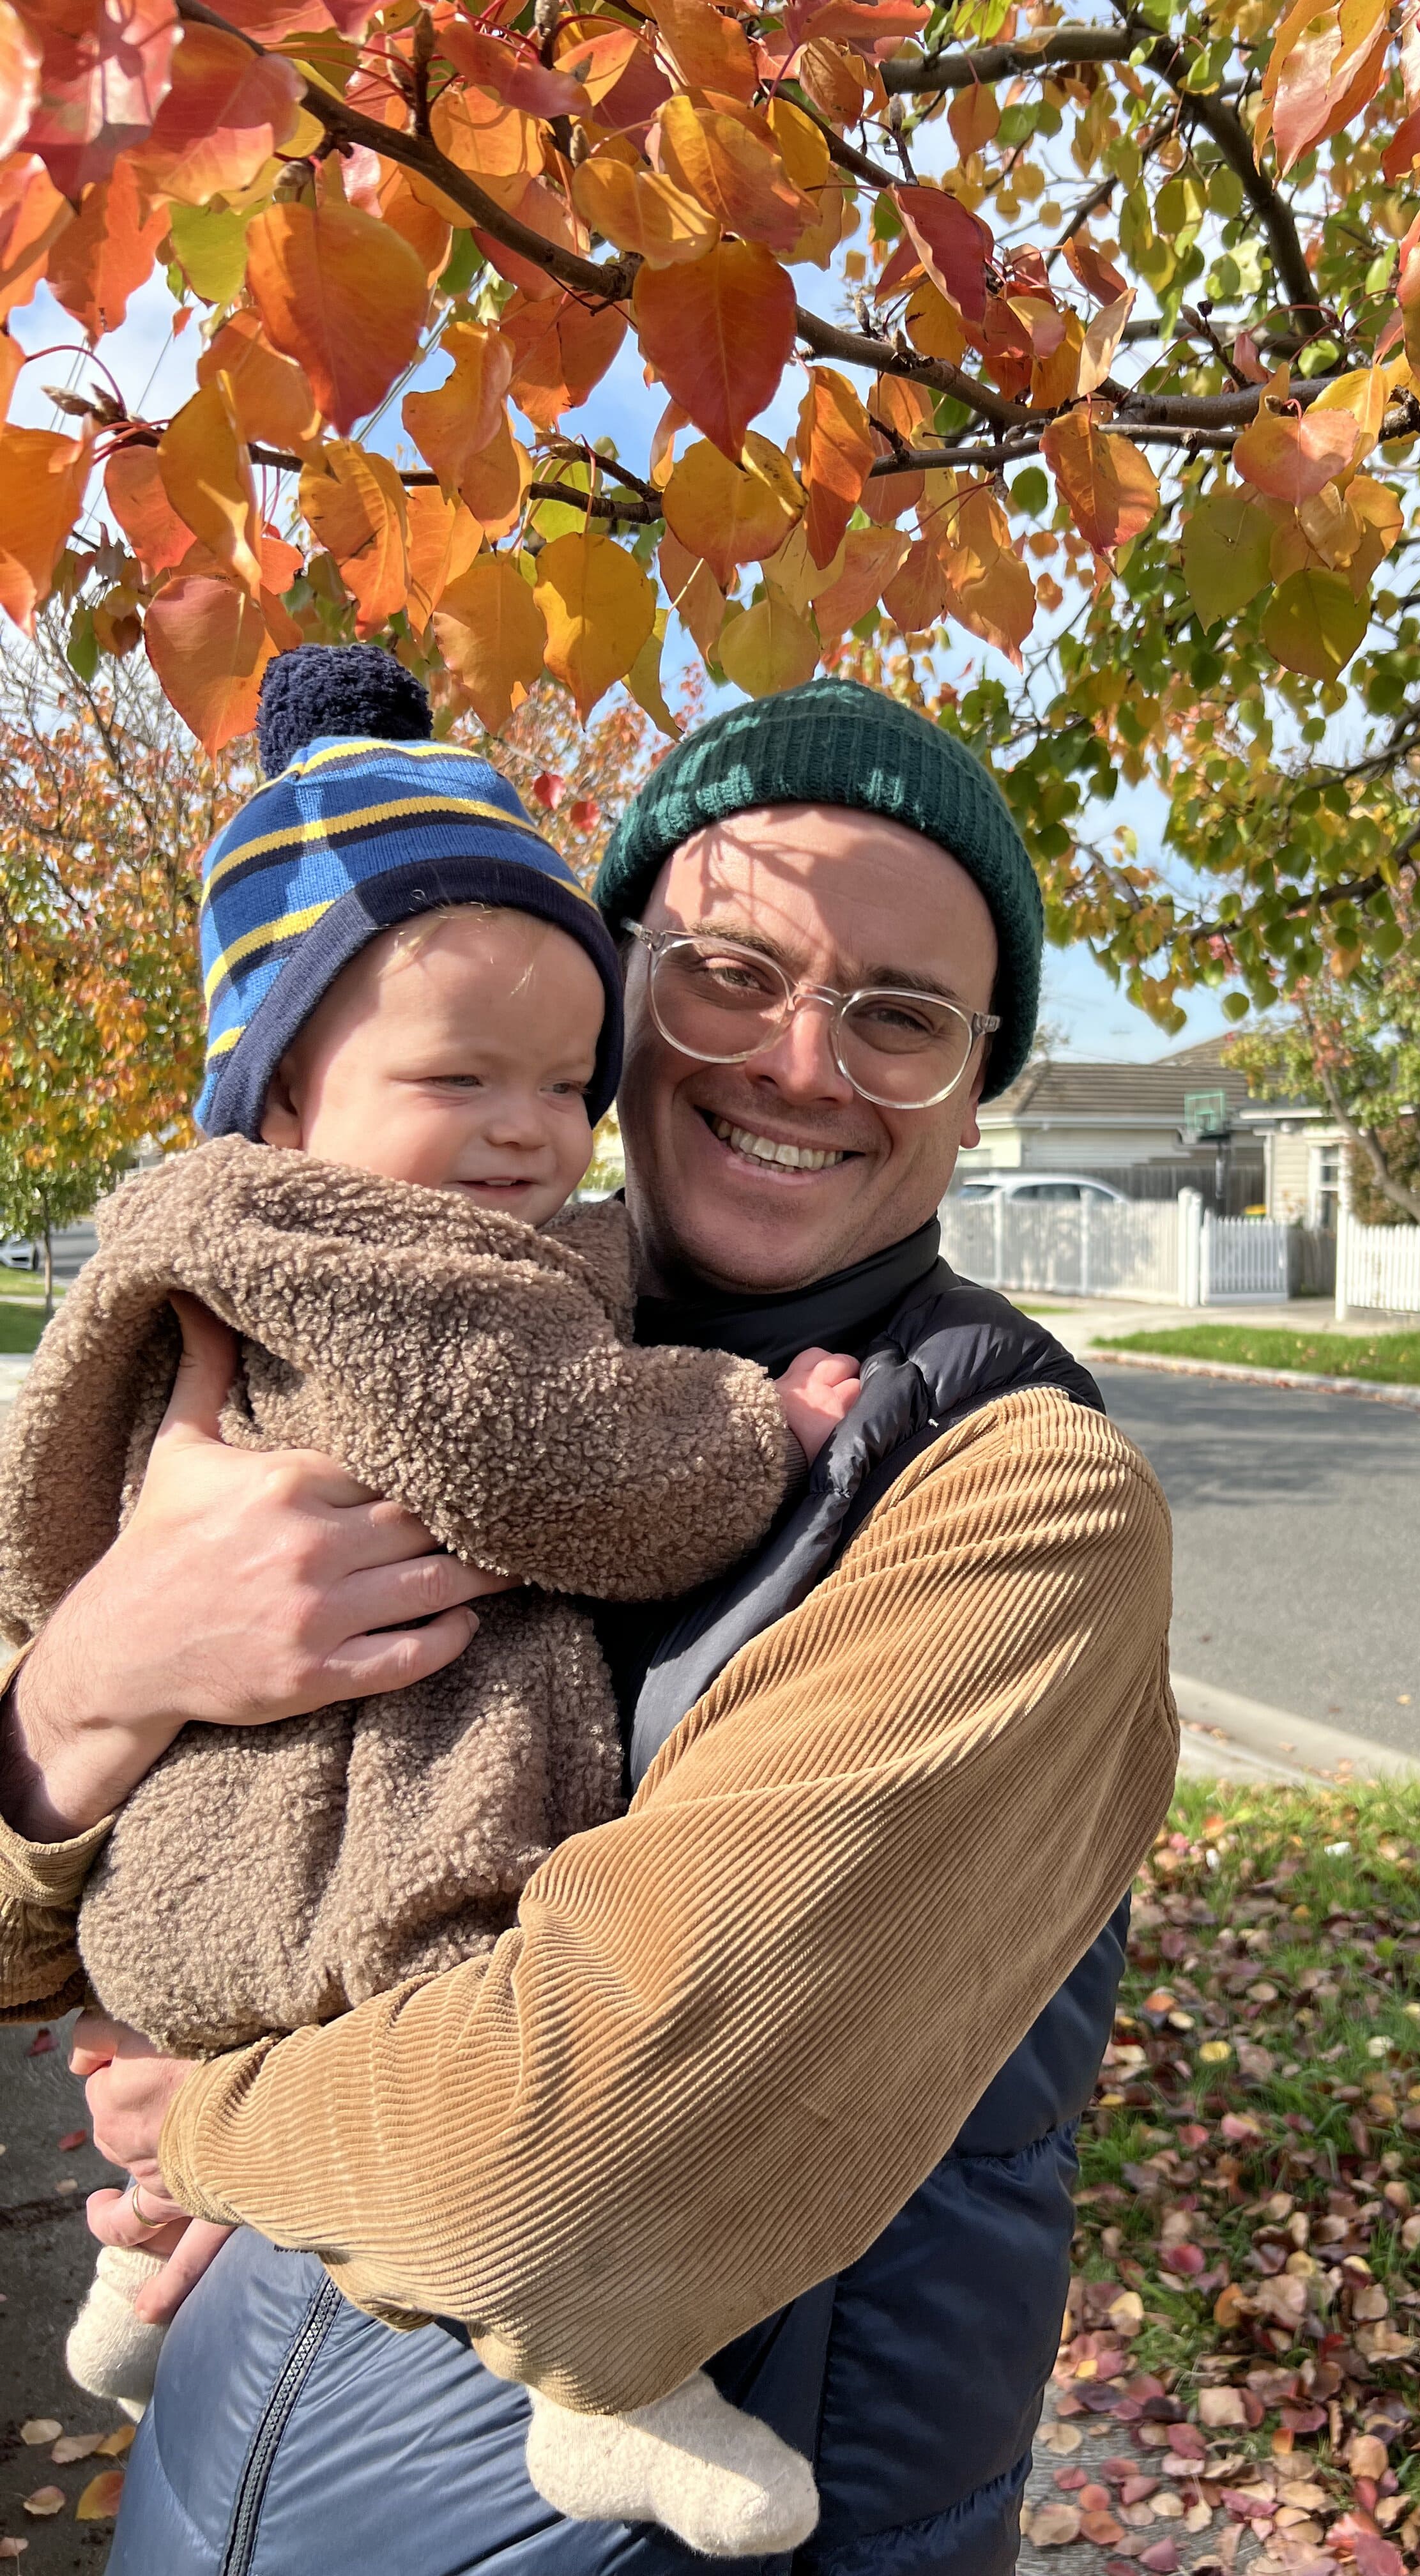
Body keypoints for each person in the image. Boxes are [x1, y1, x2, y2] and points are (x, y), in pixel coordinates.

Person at [0, 664, 1179, 2576]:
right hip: (229, 2485)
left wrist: (203, 2117)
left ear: (975, 1089)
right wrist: (94, 1686)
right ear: (614, 982)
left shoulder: (1013, 1500)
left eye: (902, 1020)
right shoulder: (394, 1336)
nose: (801, 1063)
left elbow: (570, 2173)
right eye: (731, 970)